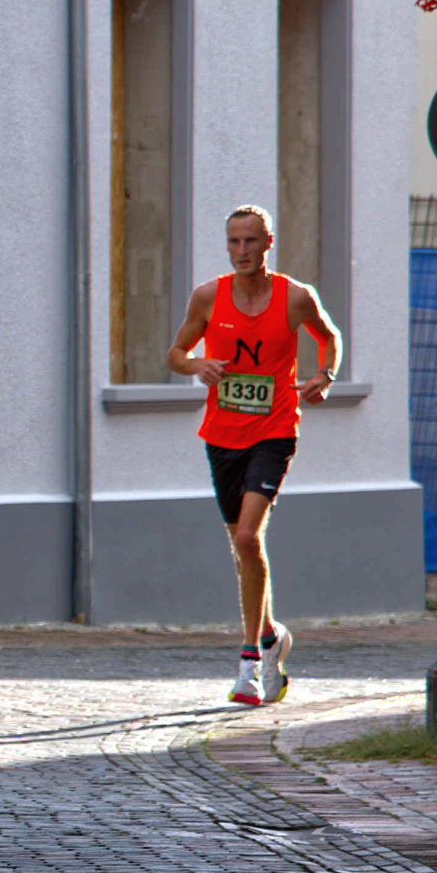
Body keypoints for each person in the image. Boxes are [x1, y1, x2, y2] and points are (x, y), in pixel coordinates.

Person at [166, 203, 342, 707]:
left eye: (250, 241)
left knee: (247, 535)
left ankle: (249, 663)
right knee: (242, 546)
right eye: (233, 242)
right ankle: (270, 635)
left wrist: (324, 376)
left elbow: (329, 338)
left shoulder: (295, 297)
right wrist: (197, 365)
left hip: (274, 431)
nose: (241, 251)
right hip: (222, 436)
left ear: (268, 243)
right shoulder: (208, 296)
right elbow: (176, 353)